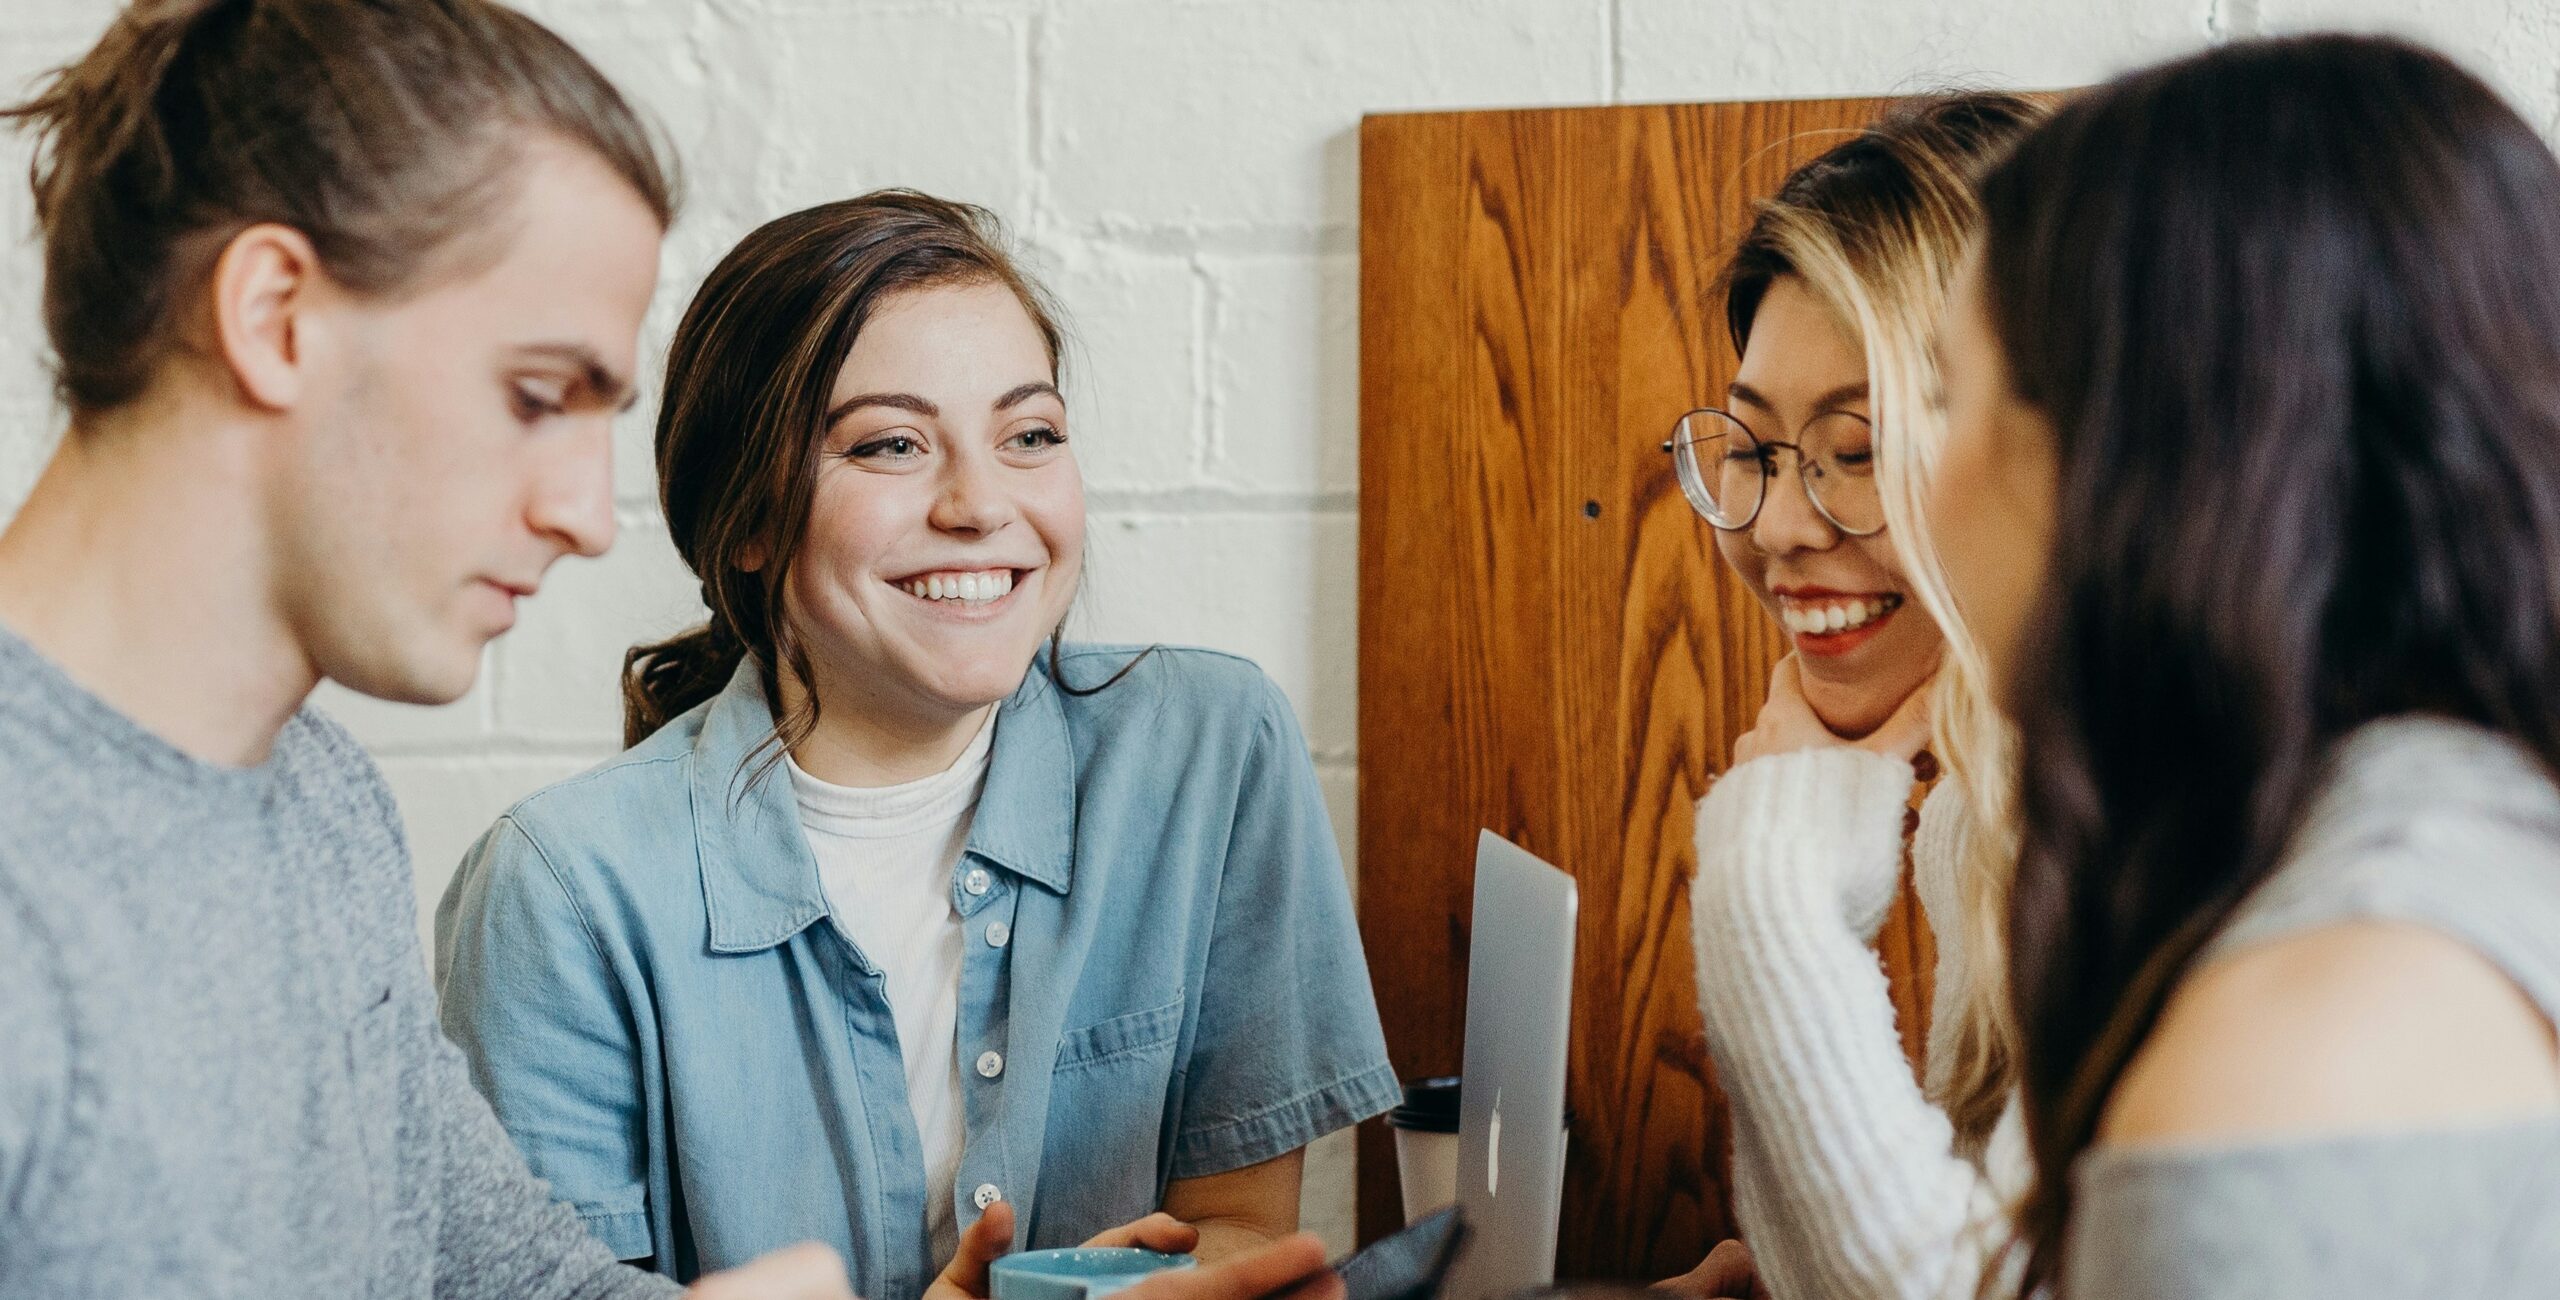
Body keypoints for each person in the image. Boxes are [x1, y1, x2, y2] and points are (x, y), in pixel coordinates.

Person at [0, 0, 849, 1294]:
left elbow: (495, 1271)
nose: (579, 512)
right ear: (276, 313)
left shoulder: (328, 804)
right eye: (533, 397)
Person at [435, 191, 1400, 1296]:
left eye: (1028, 435)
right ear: (744, 520)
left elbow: (1233, 1222)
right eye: (892, 444)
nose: (981, 503)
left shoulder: (1208, 753)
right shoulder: (558, 894)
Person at [1934, 33, 2560, 1298]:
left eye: (1947, 395)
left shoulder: (2294, 1062)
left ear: (2116, 464)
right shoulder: (2474, 840)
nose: (1916, 483)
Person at [1659, 94, 2042, 1300]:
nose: (1774, 526)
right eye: (1755, 448)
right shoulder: (1994, 807)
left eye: (1859, 448)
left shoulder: (2172, 817)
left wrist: (1769, 892)